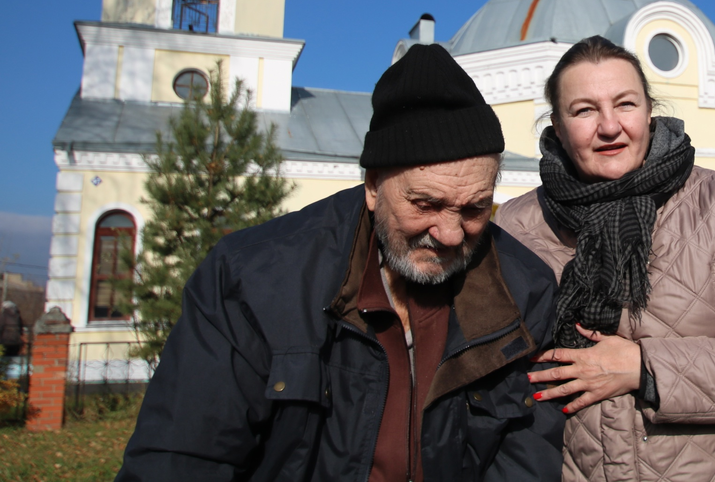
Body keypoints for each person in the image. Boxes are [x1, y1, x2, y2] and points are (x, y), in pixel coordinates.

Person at [117, 44, 563, 482]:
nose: (449, 234)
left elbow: (525, 460)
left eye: (474, 209)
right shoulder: (255, 282)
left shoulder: (523, 291)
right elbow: (182, 457)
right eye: (426, 204)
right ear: (372, 186)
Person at [495, 36, 715, 482]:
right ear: (556, 124)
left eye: (625, 104)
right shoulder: (519, 226)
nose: (610, 127)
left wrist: (644, 368)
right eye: (584, 110)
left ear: (650, 111)